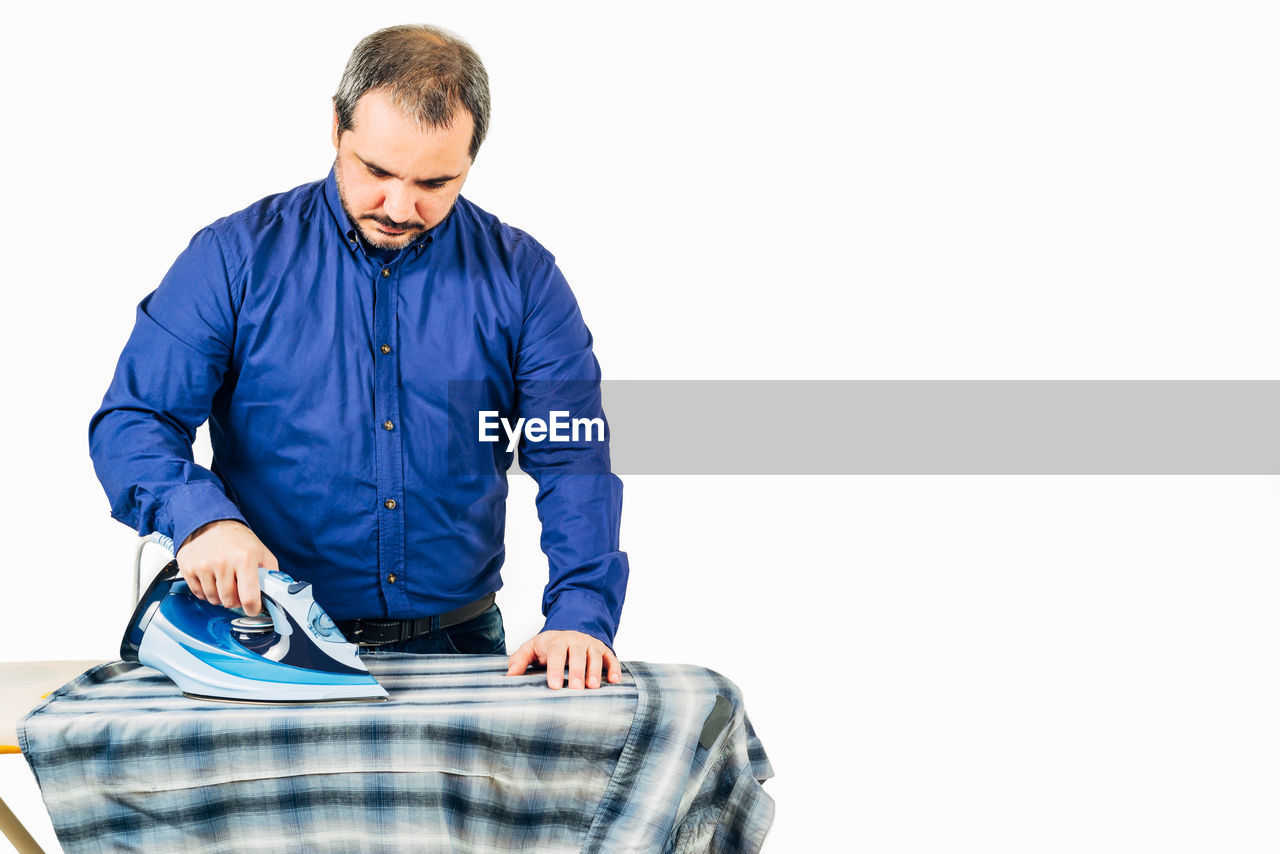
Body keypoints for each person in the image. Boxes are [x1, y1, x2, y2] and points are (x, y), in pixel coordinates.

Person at [88, 24, 628, 691]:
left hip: (456, 645)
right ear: (337, 127)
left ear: (471, 158)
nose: (400, 207)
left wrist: (581, 612)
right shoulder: (232, 261)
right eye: (377, 171)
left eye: (435, 181)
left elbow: (571, 454)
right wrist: (200, 518)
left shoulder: (524, 279)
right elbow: (135, 419)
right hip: (267, 646)